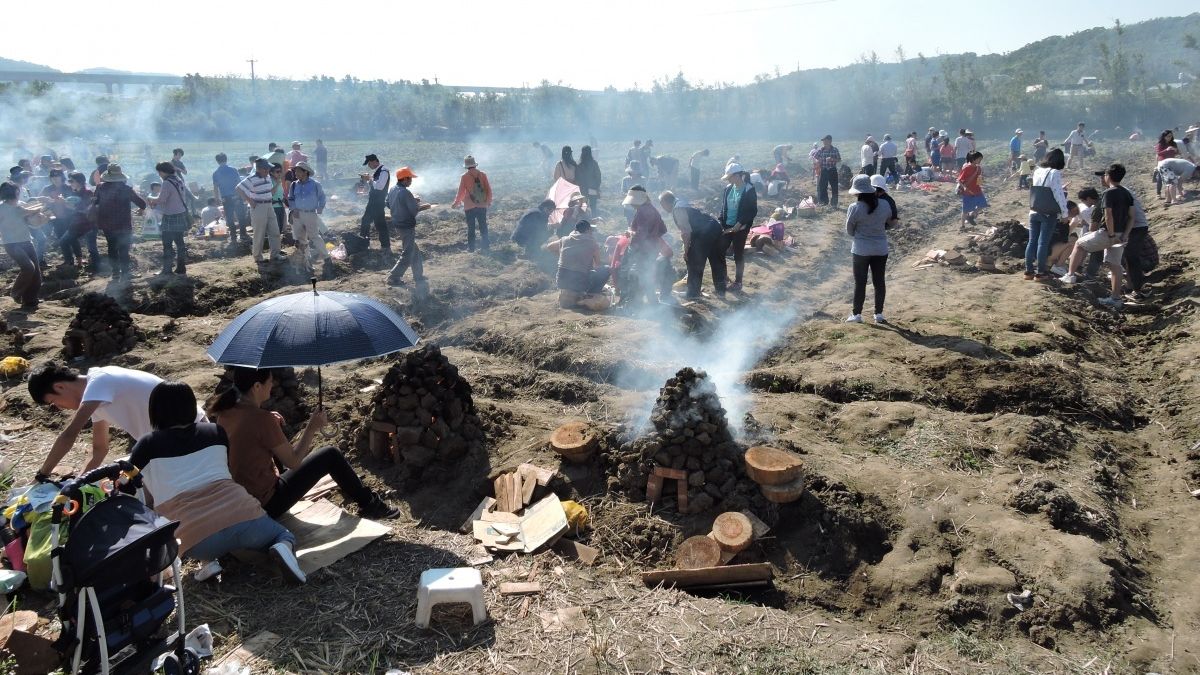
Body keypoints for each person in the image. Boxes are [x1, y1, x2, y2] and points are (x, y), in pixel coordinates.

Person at [125, 381, 306, 584]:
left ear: (155, 411)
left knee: (204, 537)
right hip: (243, 515)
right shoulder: (215, 433)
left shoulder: (146, 445)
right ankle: (281, 546)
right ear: (190, 406)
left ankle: (208, 562)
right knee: (283, 535)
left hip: (195, 539)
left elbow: (126, 486)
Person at [206, 367, 401, 520]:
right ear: (257, 386)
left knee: (276, 448)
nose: (272, 385)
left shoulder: (225, 411)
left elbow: (249, 437)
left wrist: (268, 422)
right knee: (330, 454)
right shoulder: (261, 419)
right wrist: (312, 427)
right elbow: (293, 462)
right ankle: (370, 505)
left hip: (240, 498)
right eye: (270, 381)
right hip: (265, 504)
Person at [28, 362, 205, 479]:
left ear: (59, 386)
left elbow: (69, 434)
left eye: (53, 402)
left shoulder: (100, 381)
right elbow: (99, 450)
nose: (58, 408)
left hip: (193, 433)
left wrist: (42, 474)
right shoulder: (97, 397)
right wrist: (79, 483)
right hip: (169, 444)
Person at [1059, 163, 1135, 308]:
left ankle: (1070, 275)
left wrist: (1111, 235)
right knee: (1115, 265)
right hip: (1122, 234)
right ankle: (1115, 298)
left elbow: (1108, 216)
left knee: (1079, 244)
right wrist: (1125, 234)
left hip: (1109, 233)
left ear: (1108, 176)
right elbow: (1132, 216)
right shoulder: (1126, 193)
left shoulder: (1108, 193)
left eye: (1105, 175)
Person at [660, 190, 725, 300]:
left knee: (694, 263)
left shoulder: (678, 209)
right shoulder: (682, 202)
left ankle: (693, 294)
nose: (663, 208)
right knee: (717, 261)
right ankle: (721, 291)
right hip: (715, 228)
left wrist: (686, 251)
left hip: (703, 234)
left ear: (665, 203)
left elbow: (686, 232)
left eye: (662, 205)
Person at [844, 174, 891, 324]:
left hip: (861, 249)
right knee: (879, 281)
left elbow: (849, 230)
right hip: (880, 248)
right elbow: (887, 223)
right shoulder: (884, 205)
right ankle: (879, 314)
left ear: (858, 192)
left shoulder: (854, 207)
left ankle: (857, 314)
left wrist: (860, 235)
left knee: (860, 282)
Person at [619, 185, 674, 304]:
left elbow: (641, 234)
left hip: (642, 249)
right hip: (652, 248)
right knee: (645, 275)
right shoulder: (651, 209)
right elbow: (663, 229)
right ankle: (651, 301)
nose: (632, 204)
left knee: (633, 274)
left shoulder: (643, 211)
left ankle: (634, 302)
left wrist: (631, 234)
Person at [93, 164, 146, 281]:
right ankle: (125, 273)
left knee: (111, 247)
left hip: (107, 224)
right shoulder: (126, 189)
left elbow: (95, 203)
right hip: (123, 224)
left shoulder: (100, 188)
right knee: (123, 249)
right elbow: (142, 203)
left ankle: (115, 273)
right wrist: (141, 210)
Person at [542, 220, 610, 305]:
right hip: (579, 284)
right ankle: (591, 293)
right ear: (588, 230)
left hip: (562, 282)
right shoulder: (592, 242)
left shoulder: (565, 239)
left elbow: (549, 246)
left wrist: (562, 255)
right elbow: (598, 265)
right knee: (606, 269)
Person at [1025, 148, 1068, 281]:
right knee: (1042, 243)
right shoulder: (1054, 172)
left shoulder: (1037, 170)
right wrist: (1064, 212)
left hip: (1034, 210)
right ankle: (1041, 272)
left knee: (1032, 241)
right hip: (1048, 213)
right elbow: (1057, 194)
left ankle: (1028, 271)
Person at [287, 162, 334, 278]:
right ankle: (306, 262)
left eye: (298, 171)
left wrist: (321, 207)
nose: (295, 173)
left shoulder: (315, 184)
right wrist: (293, 209)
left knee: (314, 236)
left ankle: (326, 258)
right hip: (297, 215)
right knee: (301, 239)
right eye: (295, 171)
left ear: (305, 172)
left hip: (310, 214)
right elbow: (290, 198)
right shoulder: (293, 185)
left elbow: (322, 197)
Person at [386, 167, 430, 286]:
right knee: (408, 252)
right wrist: (422, 205)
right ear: (404, 179)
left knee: (414, 251)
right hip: (406, 225)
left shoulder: (392, 189)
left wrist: (399, 207)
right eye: (410, 179)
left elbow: (388, 203)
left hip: (398, 224)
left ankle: (418, 275)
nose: (411, 181)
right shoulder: (405, 192)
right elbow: (413, 211)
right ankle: (393, 277)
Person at [148, 162, 194, 275]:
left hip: (170, 216)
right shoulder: (178, 179)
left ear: (163, 171)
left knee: (167, 244)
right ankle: (181, 268)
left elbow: (161, 200)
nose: (159, 175)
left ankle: (167, 270)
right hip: (181, 213)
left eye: (159, 172)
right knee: (179, 243)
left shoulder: (167, 183)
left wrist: (150, 197)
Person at [0, 182, 41, 310]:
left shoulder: (21, 205)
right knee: (29, 267)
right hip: (11, 243)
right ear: (16, 193)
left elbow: (33, 222)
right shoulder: (2, 208)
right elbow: (26, 212)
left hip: (27, 241)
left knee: (36, 274)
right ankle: (16, 292)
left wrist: (39, 216)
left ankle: (30, 300)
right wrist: (37, 208)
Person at [718, 164, 758, 293]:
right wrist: (721, 221)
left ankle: (738, 282)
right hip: (727, 226)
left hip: (741, 228)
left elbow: (752, 211)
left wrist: (739, 224)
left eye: (729, 177)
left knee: (738, 254)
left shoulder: (749, 189)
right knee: (720, 251)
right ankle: (724, 277)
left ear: (737, 175)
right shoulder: (728, 188)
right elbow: (724, 207)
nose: (728, 180)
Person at [237, 158, 283, 264]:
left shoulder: (267, 177)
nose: (268, 171)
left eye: (268, 168)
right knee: (259, 233)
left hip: (269, 206)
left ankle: (275, 254)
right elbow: (238, 188)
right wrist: (250, 201)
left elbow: (270, 192)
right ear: (259, 169)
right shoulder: (251, 178)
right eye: (266, 169)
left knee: (275, 231)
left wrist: (277, 184)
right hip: (258, 207)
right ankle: (258, 257)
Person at [60, 172, 100, 274]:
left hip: (88, 224)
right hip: (77, 224)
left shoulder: (88, 193)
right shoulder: (74, 193)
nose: (69, 183)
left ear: (79, 181)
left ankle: (96, 267)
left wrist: (70, 206)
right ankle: (70, 262)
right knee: (64, 241)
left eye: (71, 181)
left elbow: (87, 209)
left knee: (91, 247)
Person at [452, 155, 493, 252]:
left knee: (471, 228)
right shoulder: (483, 174)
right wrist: (488, 201)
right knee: (483, 226)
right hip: (482, 205)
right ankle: (486, 246)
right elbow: (488, 189)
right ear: (475, 164)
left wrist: (456, 203)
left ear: (466, 166)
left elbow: (461, 192)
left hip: (469, 206)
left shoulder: (464, 177)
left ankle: (471, 248)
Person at [359, 153, 392, 255]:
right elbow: (374, 185)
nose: (369, 166)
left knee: (376, 223)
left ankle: (367, 244)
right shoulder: (379, 172)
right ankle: (365, 243)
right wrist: (368, 180)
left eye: (369, 163)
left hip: (377, 202)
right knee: (370, 222)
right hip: (374, 201)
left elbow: (380, 187)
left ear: (374, 161)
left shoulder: (384, 171)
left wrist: (369, 179)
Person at [212, 153, 248, 246]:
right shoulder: (233, 170)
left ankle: (233, 236)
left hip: (225, 198)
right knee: (240, 215)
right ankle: (243, 234)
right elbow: (238, 183)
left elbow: (215, 188)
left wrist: (217, 199)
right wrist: (243, 195)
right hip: (235, 196)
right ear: (226, 159)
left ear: (217, 161)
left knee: (229, 217)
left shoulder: (215, 173)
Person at [957, 151, 988, 228]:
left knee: (983, 204)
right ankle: (962, 226)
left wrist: (981, 181)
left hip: (977, 190)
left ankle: (971, 216)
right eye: (979, 158)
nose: (980, 160)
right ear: (973, 159)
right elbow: (959, 180)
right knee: (965, 210)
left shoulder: (978, 168)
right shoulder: (967, 168)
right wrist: (964, 187)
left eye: (981, 158)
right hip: (968, 191)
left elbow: (979, 180)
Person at [814, 135, 841, 208]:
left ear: (830, 141)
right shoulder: (820, 150)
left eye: (825, 140)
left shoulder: (835, 150)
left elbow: (839, 159)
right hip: (824, 170)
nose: (824, 142)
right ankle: (824, 203)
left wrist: (832, 159)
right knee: (823, 186)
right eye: (823, 141)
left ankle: (834, 203)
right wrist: (818, 161)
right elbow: (815, 158)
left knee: (834, 187)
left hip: (832, 170)